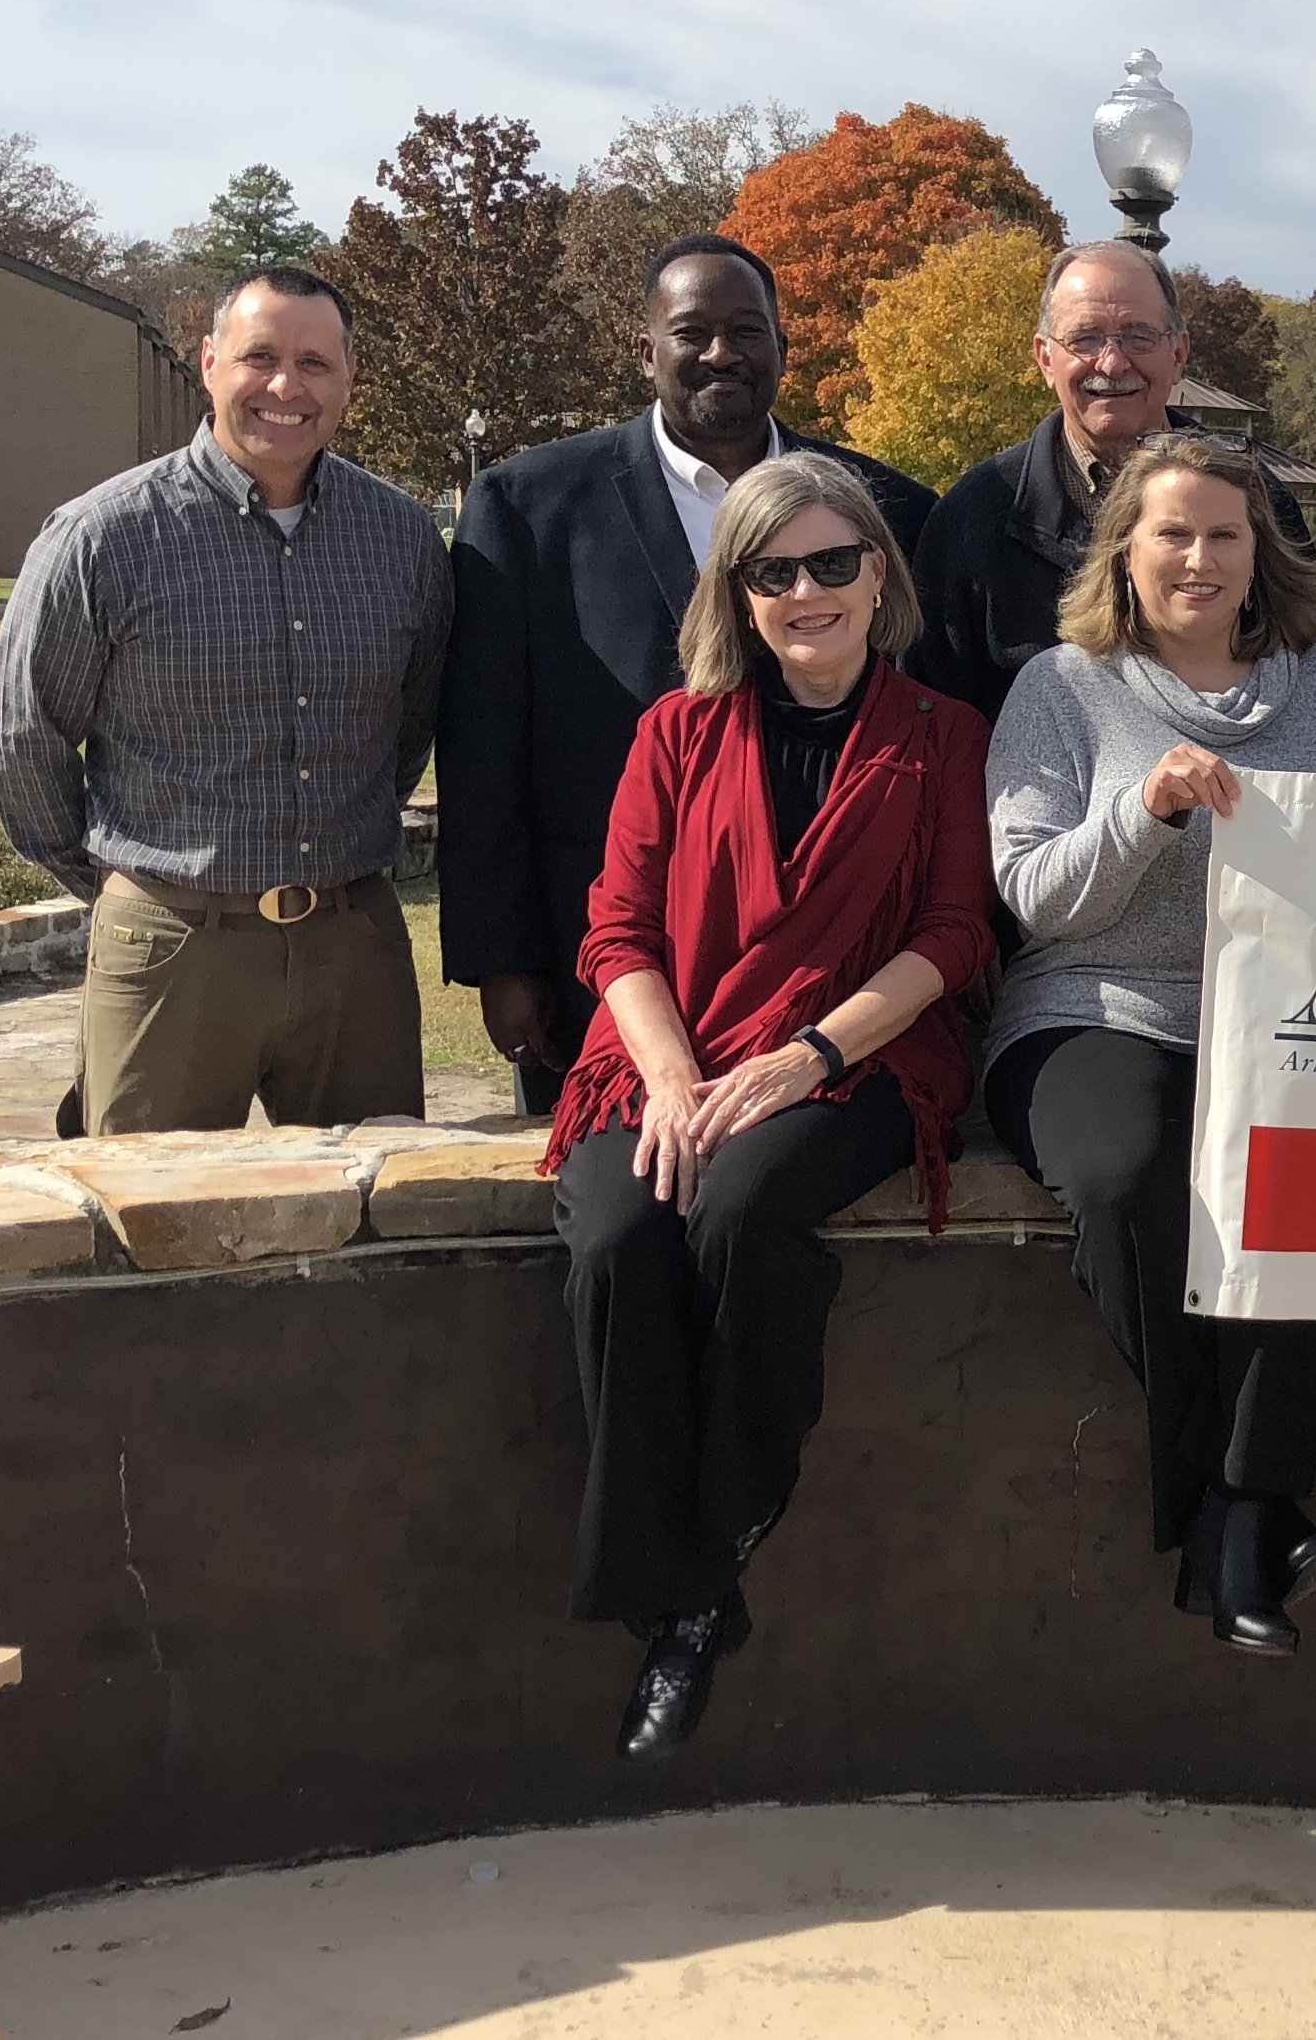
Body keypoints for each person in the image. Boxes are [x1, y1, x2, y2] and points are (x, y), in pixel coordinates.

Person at [543, 453, 993, 1760]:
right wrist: (677, 1079)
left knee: (739, 1203)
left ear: (877, 574)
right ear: (738, 595)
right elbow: (615, 930)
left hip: (860, 1055)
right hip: (664, 1055)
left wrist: (801, 1060)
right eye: (773, 569)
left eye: (832, 562)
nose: (806, 589)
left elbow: (955, 933)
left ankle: (707, 1551)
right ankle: (693, 1587)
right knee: (625, 1233)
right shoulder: (674, 735)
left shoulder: (939, 736)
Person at [983, 432, 1316, 1656]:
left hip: (1288, 1026)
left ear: (1261, 552)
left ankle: (1237, 1508)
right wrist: (1145, 808)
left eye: (1227, 533)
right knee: (1124, 1182)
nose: (1200, 557)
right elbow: (1034, 896)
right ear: (1125, 549)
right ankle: (1238, 1503)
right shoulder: (1061, 687)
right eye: (1172, 531)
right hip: (1097, 1007)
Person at [441, 235, 939, 1110]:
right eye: (692, 331)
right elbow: (484, 746)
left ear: (782, 344)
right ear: (646, 350)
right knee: (616, 1214)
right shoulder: (529, 509)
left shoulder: (887, 509)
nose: (722, 353)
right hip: (600, 961)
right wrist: (502, 957)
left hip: (834, 976)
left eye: (747, 330)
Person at [0, 265, 450, 1135]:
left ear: (349, 377)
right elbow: (20, 740)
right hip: (171, 946)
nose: (286, 386)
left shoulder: (405, 539)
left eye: (315, 362)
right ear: (208, 363)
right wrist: (124, 885)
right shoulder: (102, 536)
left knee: (379, 1228)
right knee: (150, 1235)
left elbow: (407, 729)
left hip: (355, 949)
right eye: (259, 356)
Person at [905, 242, 1311, 721]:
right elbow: (932, 726)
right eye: (1085, 338)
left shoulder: (1257, 502)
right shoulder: (972, 521)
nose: (1113, 363)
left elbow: (1309, 669)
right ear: (1044, 358)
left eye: (1138, 337)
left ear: (1178, 353)